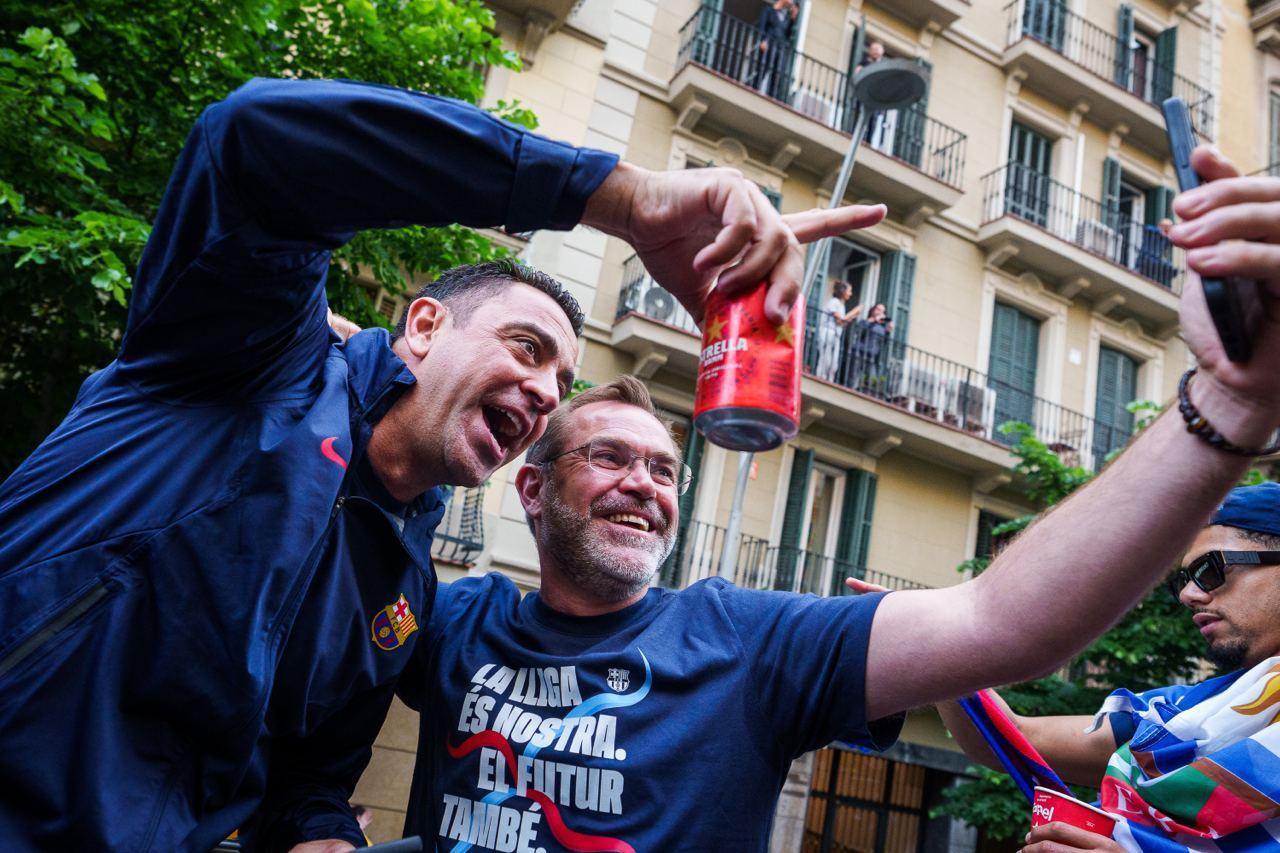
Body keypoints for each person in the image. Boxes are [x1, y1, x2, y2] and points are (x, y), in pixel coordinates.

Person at [270, 143, 1280, 848]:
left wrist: (1227, 405)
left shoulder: (751, 644)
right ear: (531, 488)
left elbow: (1001, 622)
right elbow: (300, 718)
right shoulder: (449, 620)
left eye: (665, 469)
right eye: (611, 458)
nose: (645, 485)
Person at [0, 75, 882, 852]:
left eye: (560, 384)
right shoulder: (250, 358)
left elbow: (304, 776)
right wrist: (622, 198)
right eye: (528, 347)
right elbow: (251, 139)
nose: (544, 393)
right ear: (423, 326)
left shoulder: (404, 592)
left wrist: (321, 835)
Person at [932, 483, 1280, 852]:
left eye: (1211, 569)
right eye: (1184, 580)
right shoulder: (1180, 713)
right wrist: (936, 634)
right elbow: (1011, 738)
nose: (1187, 595)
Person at [815, 279, 860, 381]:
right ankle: (821, 378)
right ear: (843, 291)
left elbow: (841, 323)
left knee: (833, 363)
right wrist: (854, 312)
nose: (850, 294)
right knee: (826, 359)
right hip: (828, 333)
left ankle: (829, 379)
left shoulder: (841, 305)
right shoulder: (834, 302)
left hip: (835, 335)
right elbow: (840, 319)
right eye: (849, 291)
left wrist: (852, 316)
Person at [754, 0, 797, 100]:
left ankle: (771, 97)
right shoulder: (768, 11)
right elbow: (762, 26)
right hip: (769, 45)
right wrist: (763, 40)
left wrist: (792, 19)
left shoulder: (786, 17)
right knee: (762, 70)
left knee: (776, 75)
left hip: (779, 49)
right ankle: (754, 90)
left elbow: (788, 35)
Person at [844, 301, 892, 389]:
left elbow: (883, 343)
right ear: (873, 310)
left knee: (872, 380)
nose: (880, 312)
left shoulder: (882, 328)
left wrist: (888, 332)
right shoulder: (865, 322)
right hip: (859, 352)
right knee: (852, 377)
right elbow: (858, 332)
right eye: (878, 309)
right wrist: (872, 321)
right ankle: (850, 390)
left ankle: (859, 390)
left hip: (871, 356)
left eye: (882, 311)